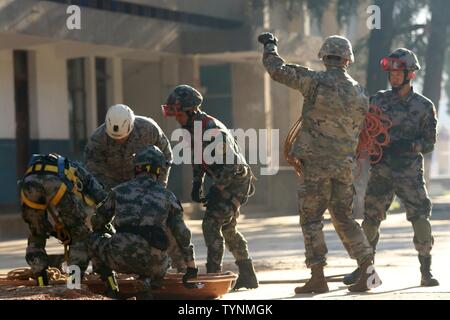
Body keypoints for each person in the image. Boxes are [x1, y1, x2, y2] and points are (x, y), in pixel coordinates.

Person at [258, 32, 380, 293]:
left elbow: (277, 70)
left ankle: (318, 276)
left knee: (312, 218)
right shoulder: (360, 92)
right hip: (344, 166)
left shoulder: (314, 81)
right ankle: (368, 271)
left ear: (324, 57)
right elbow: (362, 130)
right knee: (344, 218)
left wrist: (270, 46)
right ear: (347, 60)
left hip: (316, 165)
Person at [344, 48, 439, 287]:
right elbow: (363, 127)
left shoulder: (424, 106)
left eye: (399, 72)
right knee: (370, 220)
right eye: (391, 73)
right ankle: (364, 270)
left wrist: (410, 146)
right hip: (382, 171)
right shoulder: (378, 100)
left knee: (420, 218)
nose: (394, 76)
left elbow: (429, 143)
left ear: (410, 75)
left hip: (409, 173)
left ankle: (426, 271)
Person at [162, 84, 258, 290]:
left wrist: (218, 188)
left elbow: (232, 165)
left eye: (179, 114)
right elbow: (201, 158)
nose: (176, 119)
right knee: (228, 228)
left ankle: (214, 276)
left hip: (236, 181)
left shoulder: (211, 130)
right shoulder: (192, 129)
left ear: (190, 110)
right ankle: (248, 273)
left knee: (211, 224)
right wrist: (197, 182)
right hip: (224, 180)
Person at [89, 146, 198, 299]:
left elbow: (97, 222)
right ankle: (147, 281)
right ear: (158, 171)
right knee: (167, 242)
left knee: (93, 239)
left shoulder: (118, 191)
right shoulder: (168, 196)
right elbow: (183, 235)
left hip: (119, 258)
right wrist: (191, 267)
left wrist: (110, 232)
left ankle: (111, 287)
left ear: (137, 167)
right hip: (155, 264)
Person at [19, 153, 106, 286]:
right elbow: (102, 198)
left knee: (37, 234)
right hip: (57, 185)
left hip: (29, 184)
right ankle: (74, 283)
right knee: (80, 235)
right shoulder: (82, 173)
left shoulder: (59, 167)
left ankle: (41, 279)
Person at [84, 104, 172, 190]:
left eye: (123, 137)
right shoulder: (97, 139)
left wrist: (159, 187)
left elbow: (166, 157)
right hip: (112, 188)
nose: (119, 141)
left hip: (143, 186)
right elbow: (93, 170)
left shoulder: (149, 130)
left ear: (131, 126)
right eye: (114, 138)